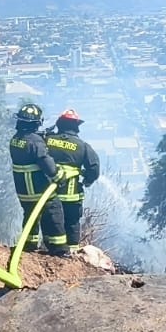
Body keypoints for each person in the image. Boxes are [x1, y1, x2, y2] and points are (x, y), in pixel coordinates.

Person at [9, 103, 71, 256]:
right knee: (54, 211)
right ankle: (59, 249)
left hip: (23, 190)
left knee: (30, 215)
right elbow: (45, 161)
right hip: (38, 189)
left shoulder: (15, 139)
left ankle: (29, 244)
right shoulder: (35, 141)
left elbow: (27, 152)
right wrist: (59, 176)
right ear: (37, 123)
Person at [44, 109, 101, 253]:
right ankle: (72, 253)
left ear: (59, 124)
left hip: (48, 194)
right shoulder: (82, 146)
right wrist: (87, 181)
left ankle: (50, 250)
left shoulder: (47, 140)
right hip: (71, 195)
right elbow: (94, 168)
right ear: (76, 126)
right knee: (72, 223)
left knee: (50, 221)